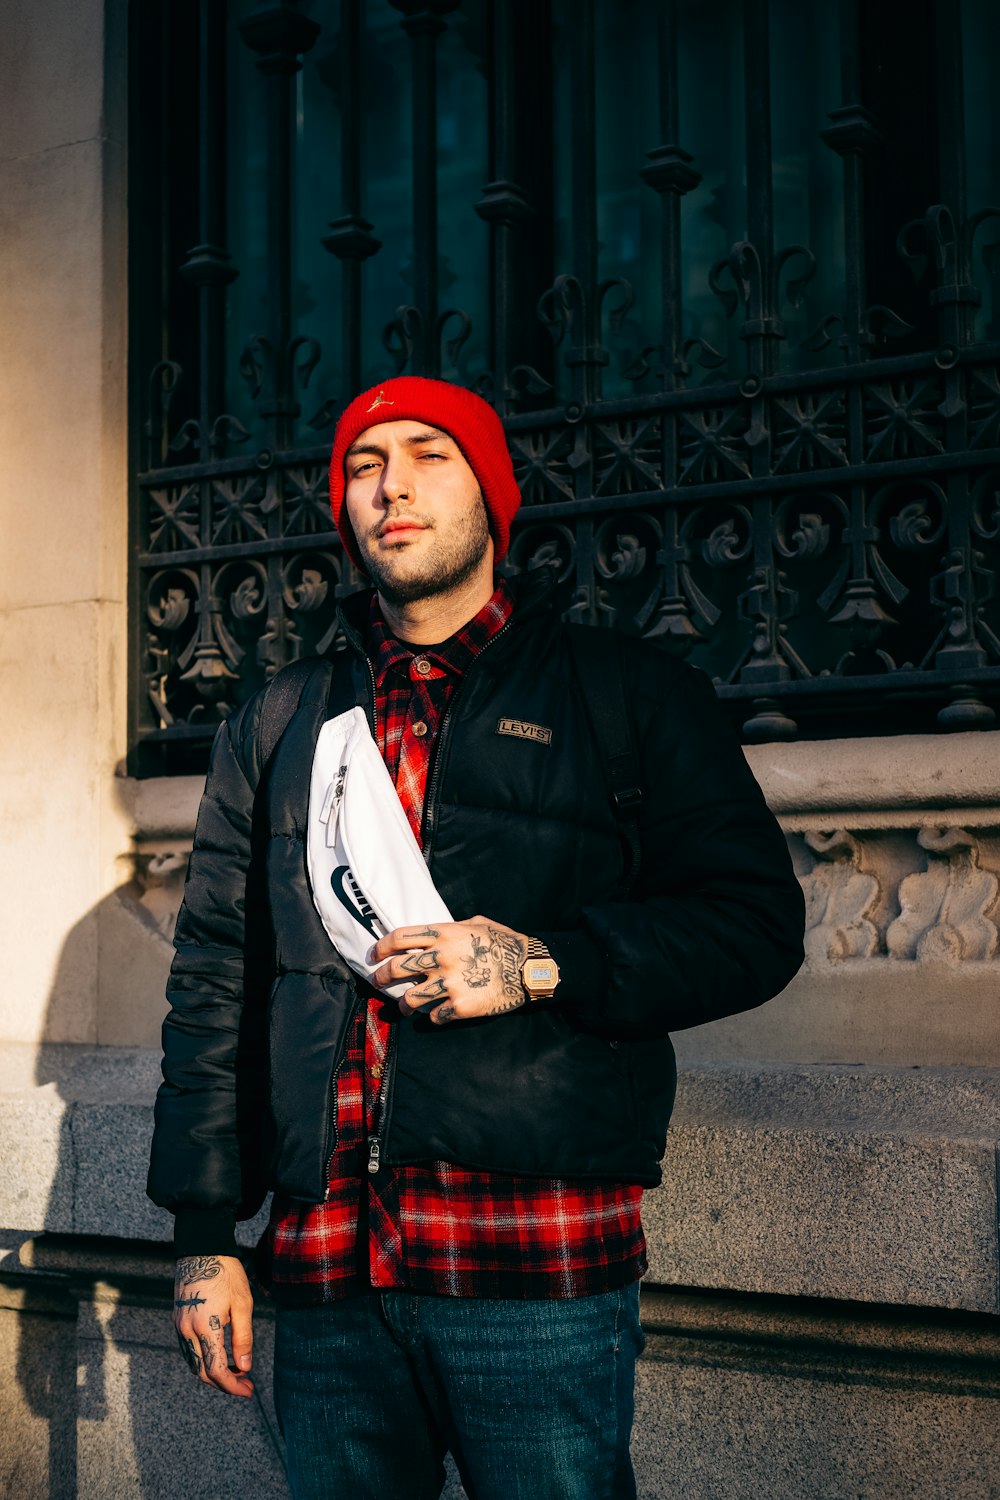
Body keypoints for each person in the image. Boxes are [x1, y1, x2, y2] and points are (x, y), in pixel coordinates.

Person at [148, 375, 805, 1500]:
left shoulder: (628, 693)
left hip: (535, 1267)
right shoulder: (278, 716)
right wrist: (205, 1233)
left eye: (427, 455)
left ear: (492, 496)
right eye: (363, 465)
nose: (390, 487)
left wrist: (539, 963)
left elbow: (752, 926)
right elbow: (218, 977)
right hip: (323, 1269)